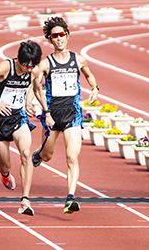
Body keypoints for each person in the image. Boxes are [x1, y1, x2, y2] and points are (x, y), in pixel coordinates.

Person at [31, 17, 99, 214]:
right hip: (52, 115)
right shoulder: (45, 64)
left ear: (68, 36)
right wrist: (44, 111)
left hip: (73, 115)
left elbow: (88, 74)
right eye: (55, 36)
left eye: (62, 35)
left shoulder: (78, 60)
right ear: (50, 40)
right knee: (48, 155)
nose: (59, 39)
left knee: (72, 157)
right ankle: (39, 154)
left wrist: (94, 87)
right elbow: (35, 87)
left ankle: (70, 198)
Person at [0, 40, 42, 216]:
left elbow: (33, 86)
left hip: (18, 117)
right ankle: (4, 172)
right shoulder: (6, 67)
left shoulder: (32, 70)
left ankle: (25, 200)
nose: (29, 69)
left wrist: (28, 102)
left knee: (26, 154)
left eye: (32, 65)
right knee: (6, 165)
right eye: (26, 65)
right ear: (19, 59)